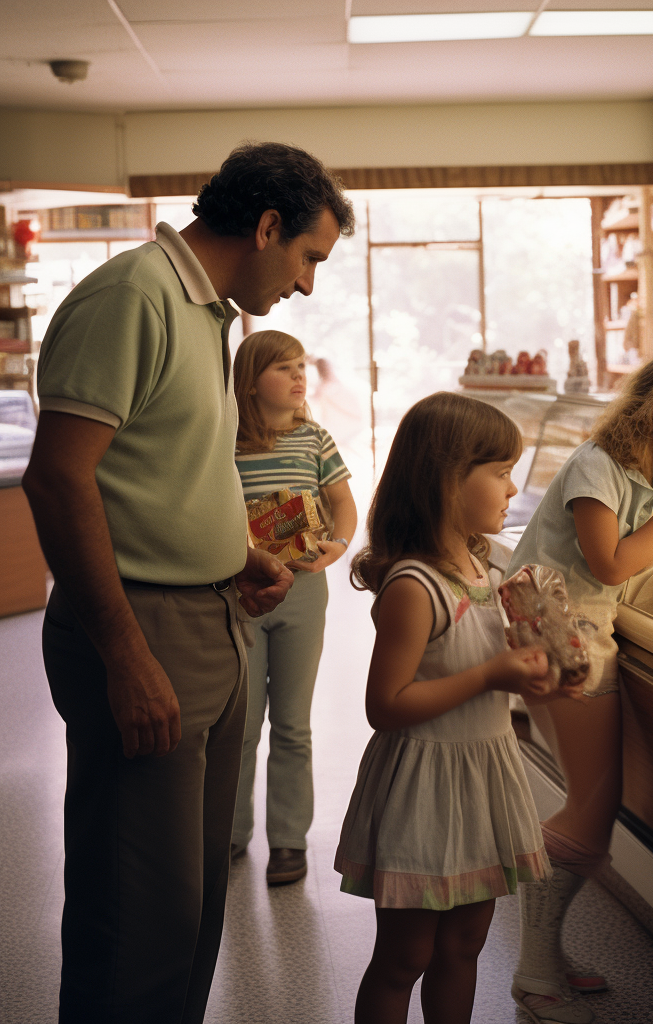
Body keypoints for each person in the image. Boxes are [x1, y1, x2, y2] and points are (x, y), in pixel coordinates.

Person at [22, 141, 355, 1024]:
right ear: (268, 225)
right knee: (137, 912)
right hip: (145, 628)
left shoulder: (209, 313)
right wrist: (125, 656)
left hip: (213, 618)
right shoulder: (134, 295)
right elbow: (58, 478)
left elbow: (161, 466)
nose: (307, 285)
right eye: (308, 259)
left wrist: (234, 553)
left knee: (194, 900)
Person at [505, 347, 653, 1023]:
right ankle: (535, 968)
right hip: (561, 641)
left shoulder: (637, 468)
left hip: (574, 635)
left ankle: (544, 956)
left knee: (592, 805)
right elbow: (609, 565)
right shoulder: (597, 467)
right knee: (590, 811)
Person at [335, 392, 581, 1024]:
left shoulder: (489, 567)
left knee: (466, 944)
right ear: (448, 481)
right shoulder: (415, 586)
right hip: (423, 788)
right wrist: (491, 674)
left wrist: (540, 677)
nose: (512, 486)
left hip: (484, 779)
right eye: (499, 472)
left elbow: (503, 673)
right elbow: (385, 704)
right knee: (404, 956)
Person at [230, 329, 358, 885]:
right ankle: (230, 833)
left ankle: (288, 842)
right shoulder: (226, 443)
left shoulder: (315, 439)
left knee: (292, 723)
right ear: (251, 383)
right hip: (245, 594)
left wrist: (339, 545)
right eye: (284, 368)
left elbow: (343, 504)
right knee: (241, 726)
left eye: (301, 366)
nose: (299, 376)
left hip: (304, 590)